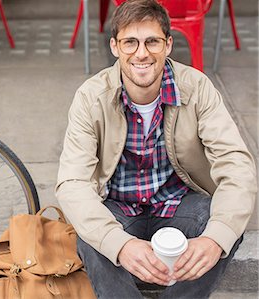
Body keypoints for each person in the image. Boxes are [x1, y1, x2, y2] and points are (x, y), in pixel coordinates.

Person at [55, 0, 257, 298]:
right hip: (119, 208)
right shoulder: (90, 97)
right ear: (114, 47)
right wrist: (119, 244)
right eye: (130, 42)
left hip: (178, 205)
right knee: (93, 240)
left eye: (152, 41)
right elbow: (72, 184)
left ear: (168, 44)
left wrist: (214, 240)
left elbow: (236, 164)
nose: (141, 52)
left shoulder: (197, 88)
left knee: (225, 226)